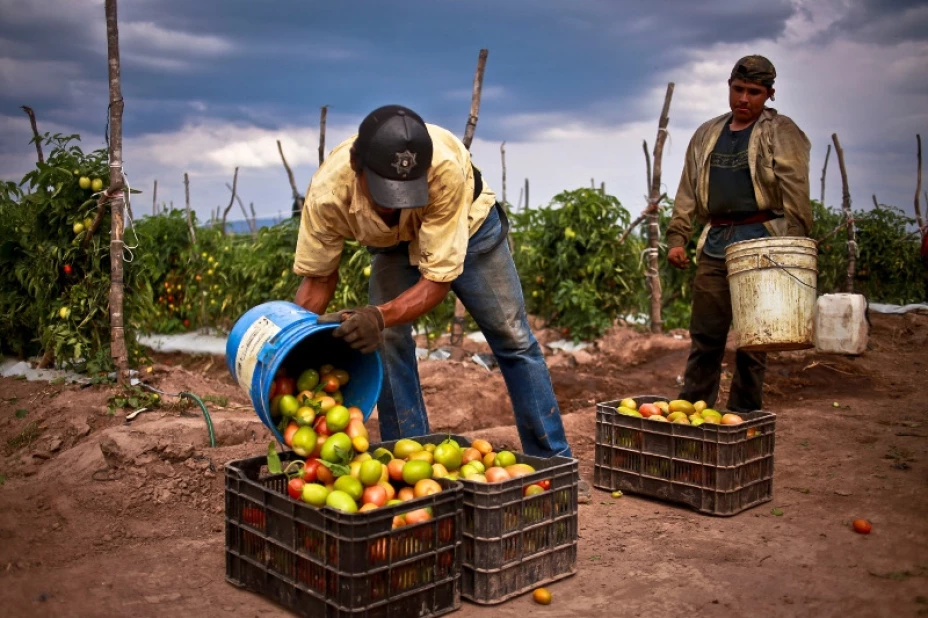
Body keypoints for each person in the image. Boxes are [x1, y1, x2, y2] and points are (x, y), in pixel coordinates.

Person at [292, 105, 590, 497]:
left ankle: (555, 464)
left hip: (471, 228)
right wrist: (291, 346)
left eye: (402, 193)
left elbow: (437, 281)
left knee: (514, 339)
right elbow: (318, 279)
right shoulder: (328, 193)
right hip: (393, 245)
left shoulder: (444, 169)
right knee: (390, 343)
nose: (393, 205)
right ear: (356, 167)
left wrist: (377, 316)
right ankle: (409, 469)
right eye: (383, 192)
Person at [665, 55, 812, 412]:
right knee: (705, 336)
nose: (744, 99)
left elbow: (796, 189)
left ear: (769, 95)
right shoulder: (707, 133)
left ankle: (744, 415)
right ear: (729, 88)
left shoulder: (781, 132)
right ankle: (694, 412)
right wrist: (677, 237)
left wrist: (797, 243)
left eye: (754, 92)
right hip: (717, 242)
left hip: (762, 242)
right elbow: (688, 188)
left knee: (756, 339)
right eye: (738, 89)